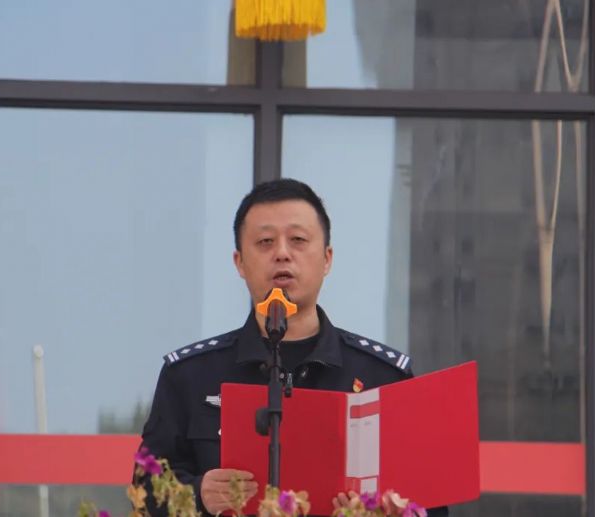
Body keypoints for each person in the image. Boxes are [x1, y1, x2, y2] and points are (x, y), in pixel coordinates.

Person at [137, 179, 448, 516]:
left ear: (327, 259)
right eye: (265, 242)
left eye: (298, 240)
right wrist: (200, 495)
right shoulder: (190, 375)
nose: (282, 253)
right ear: (239, 262)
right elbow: (145, 490)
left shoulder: (383, 377)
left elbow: (431, 504)